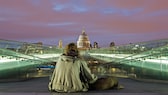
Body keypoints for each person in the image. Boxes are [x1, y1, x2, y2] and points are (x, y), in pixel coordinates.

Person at [48, 43, 123, 92]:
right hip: (75, 88)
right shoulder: (79, 61)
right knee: (109, 80)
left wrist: (53, 85)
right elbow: (90, 78)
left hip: (56, 87)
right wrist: (97, 79)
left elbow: (54, 75)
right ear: (77, 50)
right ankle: (115, 83)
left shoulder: (59, 59)